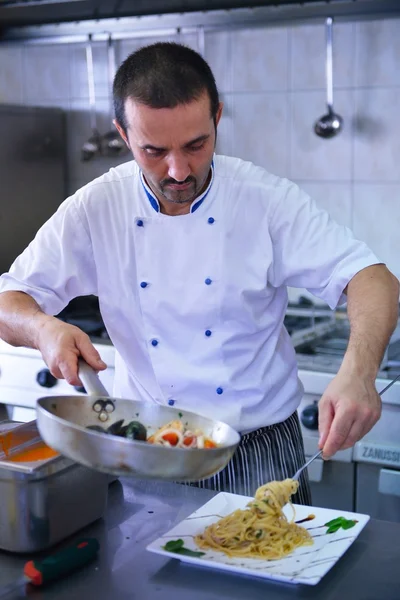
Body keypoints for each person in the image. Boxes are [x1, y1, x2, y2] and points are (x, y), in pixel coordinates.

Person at [0, 42, 398, 504]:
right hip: (143, 449)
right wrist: (44, 329)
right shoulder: (97, 207)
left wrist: (359, 372)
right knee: (138, 575)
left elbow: (373, 278)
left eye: (196, 145)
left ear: (218, 118)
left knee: (268, 566)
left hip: (257, 452)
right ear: (124, 136)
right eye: (153, 151)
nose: (178, 170)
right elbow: (10, 299)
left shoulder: (263, 200)